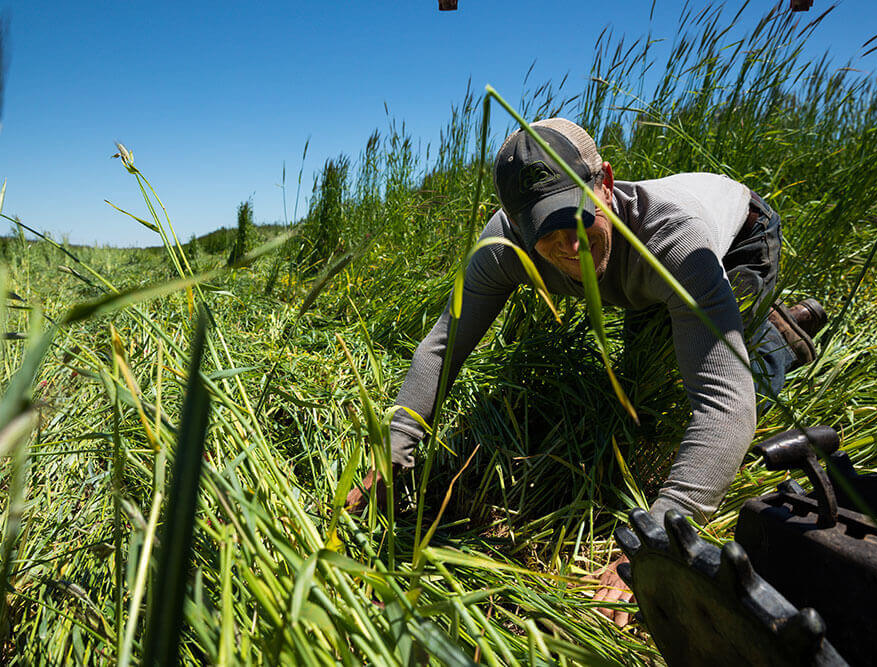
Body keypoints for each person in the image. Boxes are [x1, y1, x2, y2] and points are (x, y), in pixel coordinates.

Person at [344, 117, 826, 625]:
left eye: (576, 217)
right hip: (643, 276)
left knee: (740, 386)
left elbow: (726, 406)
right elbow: (443, 347)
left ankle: (781, 339)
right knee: (645, 385)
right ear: (514, 224)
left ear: (607, 183)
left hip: (736, 244)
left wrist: (654, 542)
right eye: (545, 232)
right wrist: (393, 453)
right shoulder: (503, 246)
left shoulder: (679, 242)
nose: (569, 246)